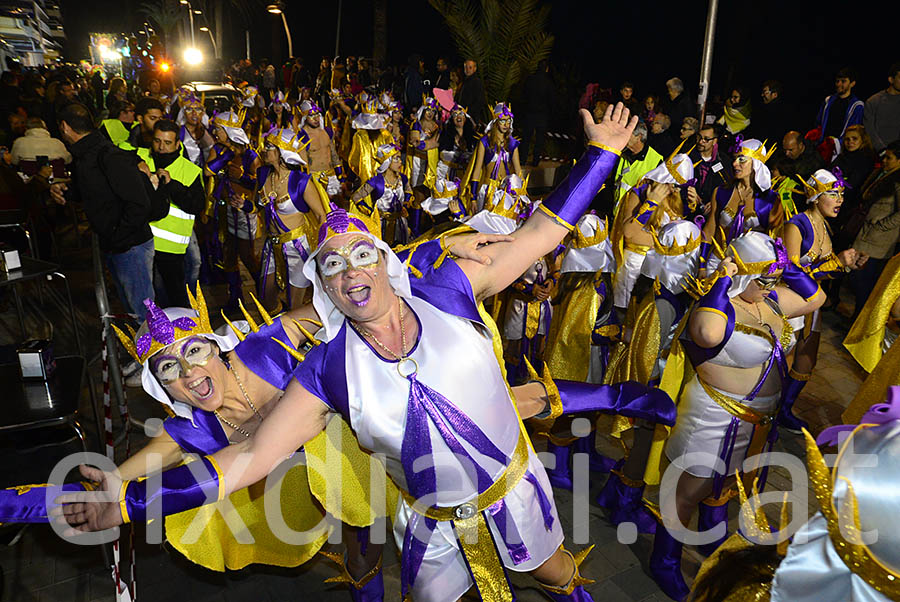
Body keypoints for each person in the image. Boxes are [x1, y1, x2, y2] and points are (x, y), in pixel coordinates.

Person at [58, 103, 640, 602]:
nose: (347, 269)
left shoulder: (451, 290)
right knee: (379, 555)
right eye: (331, 264)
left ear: (387, 264)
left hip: (513, 487)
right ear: (325, 286)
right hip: (428, 521)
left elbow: (541, 232)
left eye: (361, 254)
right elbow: (249, 457)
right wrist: (126, 501)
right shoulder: (327, 367)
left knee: (555, 573)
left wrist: (600, 156)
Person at [652, 231, 822, 600]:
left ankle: (714, 555)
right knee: (688, 492)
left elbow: (815, 298)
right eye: (763, 278)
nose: (770, 285)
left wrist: (785, 265)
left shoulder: (771, 301)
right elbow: (709, 334)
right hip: (713, 417)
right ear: (742, 273)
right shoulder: (718, 306)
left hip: (754, 423)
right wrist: (724, 278)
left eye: (774, 277)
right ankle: (663, 561)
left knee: (726, 489)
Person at [51, 103, 155, 322]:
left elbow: (139, 204)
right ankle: (146, 353)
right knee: (133, 309)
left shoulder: (106, 154)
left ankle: (158, 355)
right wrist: (66, 191)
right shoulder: (86, 155)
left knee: (144, 315)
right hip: (119, 245)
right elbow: (94, 192)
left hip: (130, 246)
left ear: (65, 127)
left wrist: (118, 237)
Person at [781, 169, 865, 430]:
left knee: (807, 360)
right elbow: (789, 272)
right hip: (792, 304)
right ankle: (767, 410)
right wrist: (834, 265)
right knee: (783, 361)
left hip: (813, 304)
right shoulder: (796, 225)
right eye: (832, 193)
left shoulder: (825, 225)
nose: (839, 200)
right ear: (815, 197)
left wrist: (847, 265)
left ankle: (784, 409)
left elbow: (824, 267)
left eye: (841, 194)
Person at [610, 146, 692, 314]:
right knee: (626, 317)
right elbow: (629, 233)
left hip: (661, 267)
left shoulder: (675, 198)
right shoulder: (639, 193)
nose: (676, 190)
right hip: (636, 263)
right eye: (674, 185)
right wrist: (651, 203)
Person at [258, 127, 328, 310]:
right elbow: (256, 206)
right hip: (271, 246)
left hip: (296, 248)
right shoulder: (263, 174)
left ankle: (295, 336)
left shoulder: (300, 181)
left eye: (269, 146)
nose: (264, 150)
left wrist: (322, 248)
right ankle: (278, 327)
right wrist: (243, 206)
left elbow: (321, 215)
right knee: (266, 297)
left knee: (294, 305)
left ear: (282, 152)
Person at [138, 119, 205, 310]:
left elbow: (196, 205)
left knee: (173, 299)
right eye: (157, 141)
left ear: (177, 144)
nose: (161, 147)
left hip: (170, 248)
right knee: (148, 299)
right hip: (142, 241)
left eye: (167, 143)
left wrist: (172, 185)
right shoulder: (141, 157)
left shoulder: (189, 170)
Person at [205, 109, 262, 310]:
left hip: (243, 211)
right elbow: (208, 170)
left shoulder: (250, 154)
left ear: (228, 130)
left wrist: (241, 178)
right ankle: (235, 298)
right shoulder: (219, 149)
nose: (215, 132)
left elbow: (259, 184)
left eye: (218, 129)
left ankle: (264, 292)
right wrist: (228, 153)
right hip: (224, 208)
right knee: (228, 253)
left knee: (247, 255)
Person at [702, 138, 782, 256]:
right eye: (734, 159)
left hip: (750, 267)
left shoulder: (770, 200)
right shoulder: (721, 192)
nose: (734, 163)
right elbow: (709, 230)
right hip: (717, 262)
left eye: (742, 159)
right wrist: (702, 264)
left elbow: (777, 240)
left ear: (756, 163)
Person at [850, 140, 900, 315]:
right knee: (857, 278)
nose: (884, 161)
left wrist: (880, 226)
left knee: (864, 282)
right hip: (866, 234)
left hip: (878, 241)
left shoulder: (898, 182)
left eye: (889, 158)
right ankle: (855, 322)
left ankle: (857, 327)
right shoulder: (882, 174)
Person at [351, 143, 412, 246]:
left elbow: (409, 191)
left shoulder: (403, 178)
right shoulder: (376, 181)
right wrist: (369, 211)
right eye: (396, 159)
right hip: (382, 224)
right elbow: (356, 197)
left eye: (400, 158)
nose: (400, 162)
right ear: (387, 161)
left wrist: (405, 205)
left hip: (400, 223)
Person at [468, 103, 522, 212]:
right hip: (487, 190)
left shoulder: (512, 143)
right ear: (495, 121)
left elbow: (518, 170)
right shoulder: (485, 142)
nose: (506, 124)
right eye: (502, 121)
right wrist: (473, 197)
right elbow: (477, 170)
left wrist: (521, 192)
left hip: (506, 190)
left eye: (508, 121)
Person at [609, 120, 663, 211]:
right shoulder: (621, 153)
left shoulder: (656, 161)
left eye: (627, 134)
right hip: (615, 212)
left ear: (639, 137)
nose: (623, 137)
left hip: (634, 216)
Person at [298, 99, 344, 201]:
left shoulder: (327, 131)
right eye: (312, 116)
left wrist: (340, 176)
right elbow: (302, 164)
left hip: (331, 176)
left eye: (317, 115)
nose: (316, 119)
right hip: (314, 178)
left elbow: (333, 154)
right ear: (305, 117)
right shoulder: (302, 137)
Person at [687, 123, 733, 211]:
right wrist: (689, 192)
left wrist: (716, 201)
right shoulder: (688, 157)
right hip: (689, 207)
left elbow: (729, 187)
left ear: (714, 141)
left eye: (706, 139)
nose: (701, 141)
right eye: (699, 137)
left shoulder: (724, 161)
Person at [814, 67, 865, 145]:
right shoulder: (828, 101)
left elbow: (854, 130)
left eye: (843, 81)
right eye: (837, 81)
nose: (839, 84)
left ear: (852, 83)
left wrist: (838, 144)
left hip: (842, 146)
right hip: (824, 144)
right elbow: (819, 123)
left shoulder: (857, 106)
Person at [519, 60, 553, 167]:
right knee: (539, 140)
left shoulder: (530, 80)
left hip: (529, 113)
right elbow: (551, 100)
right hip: (542, 115)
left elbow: (523, 94)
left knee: (526, 138)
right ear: (546, 69)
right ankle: (535, 161)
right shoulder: (548, 83)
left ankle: (522, 159)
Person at [864, 61, 900, 153]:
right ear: (891, 79)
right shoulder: (873, 101)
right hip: (878, 154)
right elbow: (869, 131)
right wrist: (883, 150)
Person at [752, 79, 790, 144]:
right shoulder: (761, 109)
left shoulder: (781, 113)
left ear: (775, 94)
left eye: (765, 92)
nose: (762, 95)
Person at [458, 59, 487, 126]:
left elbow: (480, 101)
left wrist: (468, 113)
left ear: (475, 68)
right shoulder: (465, 81)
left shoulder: (477, 82)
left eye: (470, 67)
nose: (468, 70)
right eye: (466, 67)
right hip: (464, 114)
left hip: (471, 117)